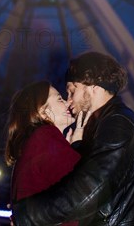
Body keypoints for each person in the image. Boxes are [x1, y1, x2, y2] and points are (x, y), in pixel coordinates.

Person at [12, 52, 134, 226]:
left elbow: (91, 191)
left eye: (72, 91)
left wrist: (27, 215)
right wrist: (78, 147)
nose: (69, 101)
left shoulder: (119, 123)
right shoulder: (105, 124)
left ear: (92, 86)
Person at [5, 81, 90, 226]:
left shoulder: (37, 143)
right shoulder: (45, 136)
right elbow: (88, 186)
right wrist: (77, 145)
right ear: (42, 111)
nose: (68, 101)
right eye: (59, 99)